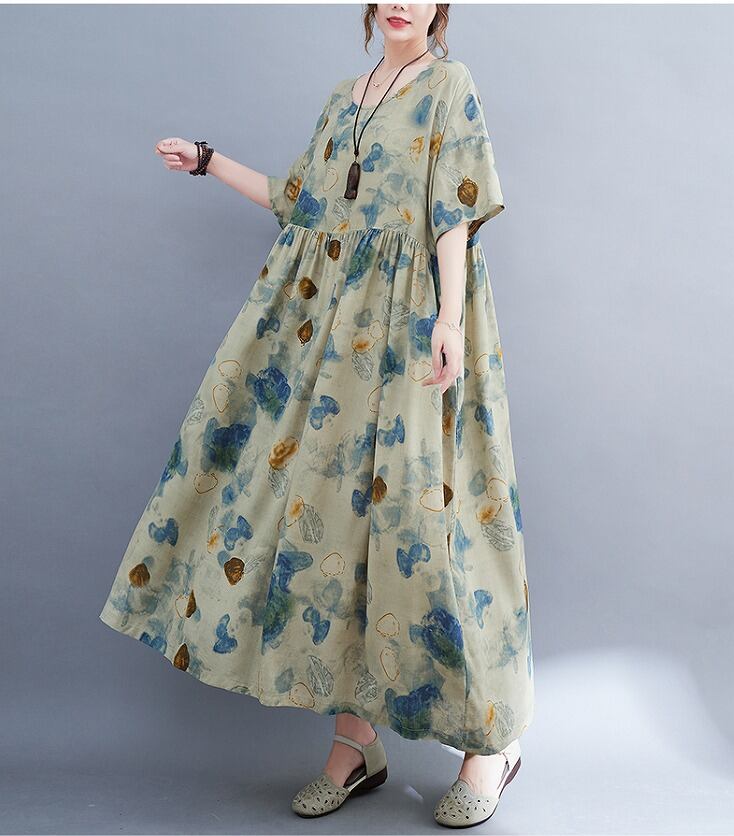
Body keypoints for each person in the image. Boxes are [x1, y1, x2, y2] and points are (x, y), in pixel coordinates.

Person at [98, 2, 534, 827]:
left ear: (440, 7)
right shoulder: (345, 96)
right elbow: (300, 202)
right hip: (327, 340)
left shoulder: (449, 85)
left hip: (410, 329)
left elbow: (455, 210)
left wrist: (448, 320)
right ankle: (354, 742)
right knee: (328, 522)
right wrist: (208, 161)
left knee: (426, 529)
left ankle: (490, 741)